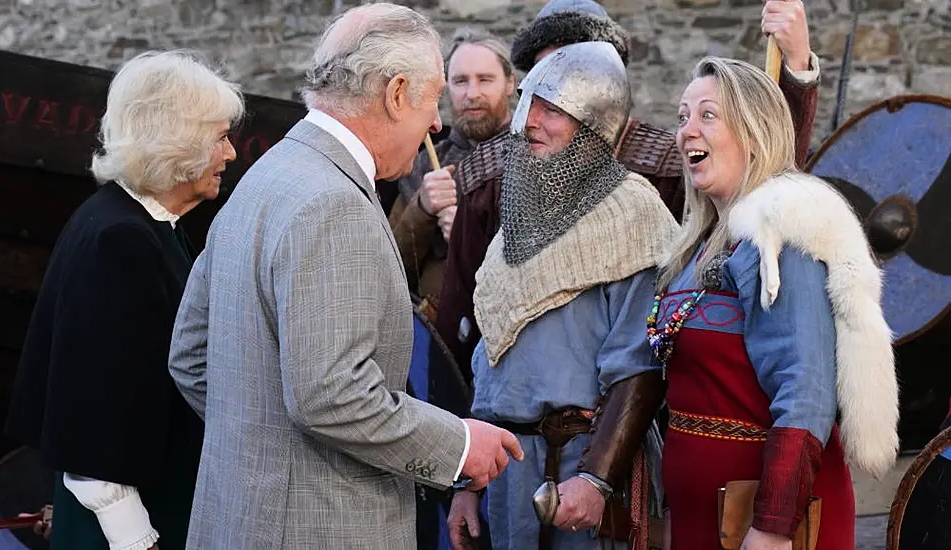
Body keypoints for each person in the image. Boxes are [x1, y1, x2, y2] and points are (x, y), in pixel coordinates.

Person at [167, 5, 523, 549]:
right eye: (431, 101)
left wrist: (265, 453)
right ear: (397, 92)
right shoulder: (334, 202)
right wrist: (456, 444)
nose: (435, 122)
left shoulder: (267, 172)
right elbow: (329, 395)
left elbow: (192, 356)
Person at [434, 0, 822, 378]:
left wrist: (796, 71)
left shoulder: (672, 165)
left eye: (577, 69)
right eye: (549, 76)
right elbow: (463, 315)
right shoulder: (491, 175)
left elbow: (767, 173)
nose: (564, 86)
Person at [650, 56, 899, 549]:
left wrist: (772, 527)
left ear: (754, 131)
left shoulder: (784, 237)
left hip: (770, 523)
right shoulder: (697, 248)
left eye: (707, 115)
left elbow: (804, 391)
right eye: (682, 117)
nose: (687, 131)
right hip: (704, 519)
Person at [4, 50, 245, 550]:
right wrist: (137, 540)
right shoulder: (121, 239)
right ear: (178, 142)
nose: (231, 155)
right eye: (221, 137)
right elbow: (91, 416)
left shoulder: (138, 223)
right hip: (123, 528)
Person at [447, 41, 676, 550]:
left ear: (593, 124)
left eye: (552, 110)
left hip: (582, 467)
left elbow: (639, 366)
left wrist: (597, 477)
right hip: (507, 470)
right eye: (529, 103)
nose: (530, 121)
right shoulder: (518, 221)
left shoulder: (632, 215)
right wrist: (469, 483)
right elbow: (492, 358)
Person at [387, 27, 516, 318]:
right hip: (439, 340)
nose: (472, 94)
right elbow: (390, 270)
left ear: (510, 83)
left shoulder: (536, 155)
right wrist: (422, 209)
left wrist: (469, 234)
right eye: (460, 81)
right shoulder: (424, 164)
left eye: (485, 79)